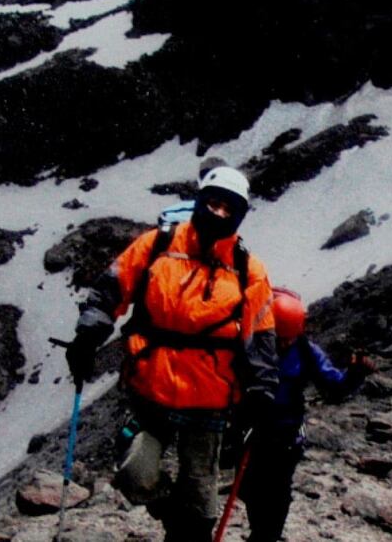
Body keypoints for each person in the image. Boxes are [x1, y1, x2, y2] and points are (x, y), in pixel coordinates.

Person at [65, 165, 279, 542]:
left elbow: (260, 336)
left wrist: (262, 391)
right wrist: (87, 338)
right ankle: (168, 507)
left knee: (201, 504)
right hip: (151, 391)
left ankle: (187, 530)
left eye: (230, 209)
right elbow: (110, 291)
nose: (219, 214)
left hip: (210, 401)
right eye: (213, 204)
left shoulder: (249, 270)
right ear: (199, 202)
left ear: (240, 215)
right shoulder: (157, 245)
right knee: (135, 477)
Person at [238, 287, 375, 542]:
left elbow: (333, 387)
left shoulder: (306, 352)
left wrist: (355, 373)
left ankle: (265, 536)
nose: (284, 343)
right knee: (250, 488)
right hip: (251, 426)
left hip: (285, 431)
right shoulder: (250, 344)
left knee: (278, 491)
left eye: (289, 338)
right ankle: (261, 531)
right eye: (279, 337)